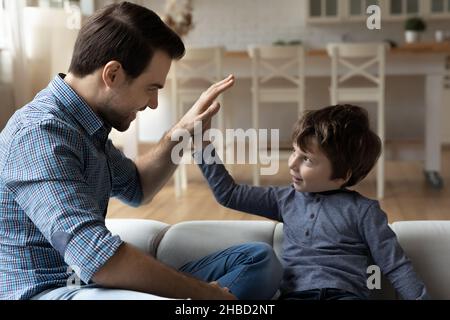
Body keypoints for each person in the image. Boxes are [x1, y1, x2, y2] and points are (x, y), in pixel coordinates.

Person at [0, 2, 283, 300]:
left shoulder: (86, 125)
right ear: (112, 74)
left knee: (259, 261)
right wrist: (205, 295)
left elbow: (136, 187)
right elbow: (97, 258)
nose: (154, 103)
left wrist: (181, 133)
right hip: (52, 290)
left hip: (90, 281)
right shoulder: (40, 134)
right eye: (151, 88)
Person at [196, 104, 430, 300]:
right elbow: (229, 194)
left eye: (307, 159)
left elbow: (395, 266)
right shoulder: (284, 199)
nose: (292, 163)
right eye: (294, 152)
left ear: (343, 175)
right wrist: (202, 145)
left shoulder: (365, 211)